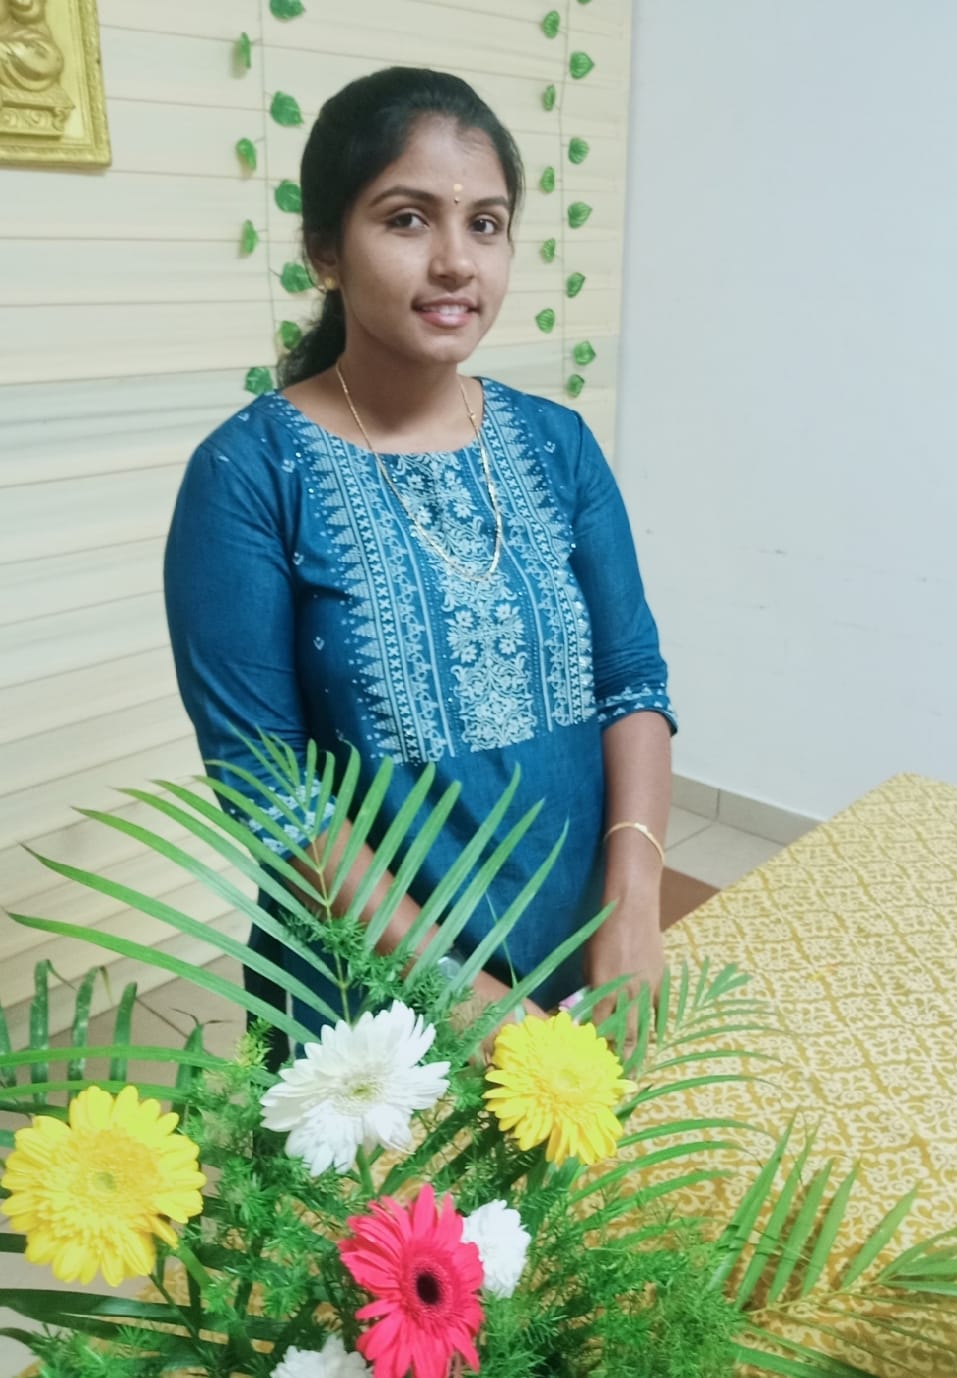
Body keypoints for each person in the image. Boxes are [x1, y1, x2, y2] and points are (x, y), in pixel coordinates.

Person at [164, 66, 675, 1048]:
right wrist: (470, 1007)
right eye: (407, 220)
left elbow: (631, 682)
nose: (455, 262)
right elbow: (267, 782)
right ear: (324, 250)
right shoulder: (249, 473)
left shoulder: (558, 446)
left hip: (581, 954)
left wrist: (634, 907)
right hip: (371, 1008)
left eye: (485, 224)